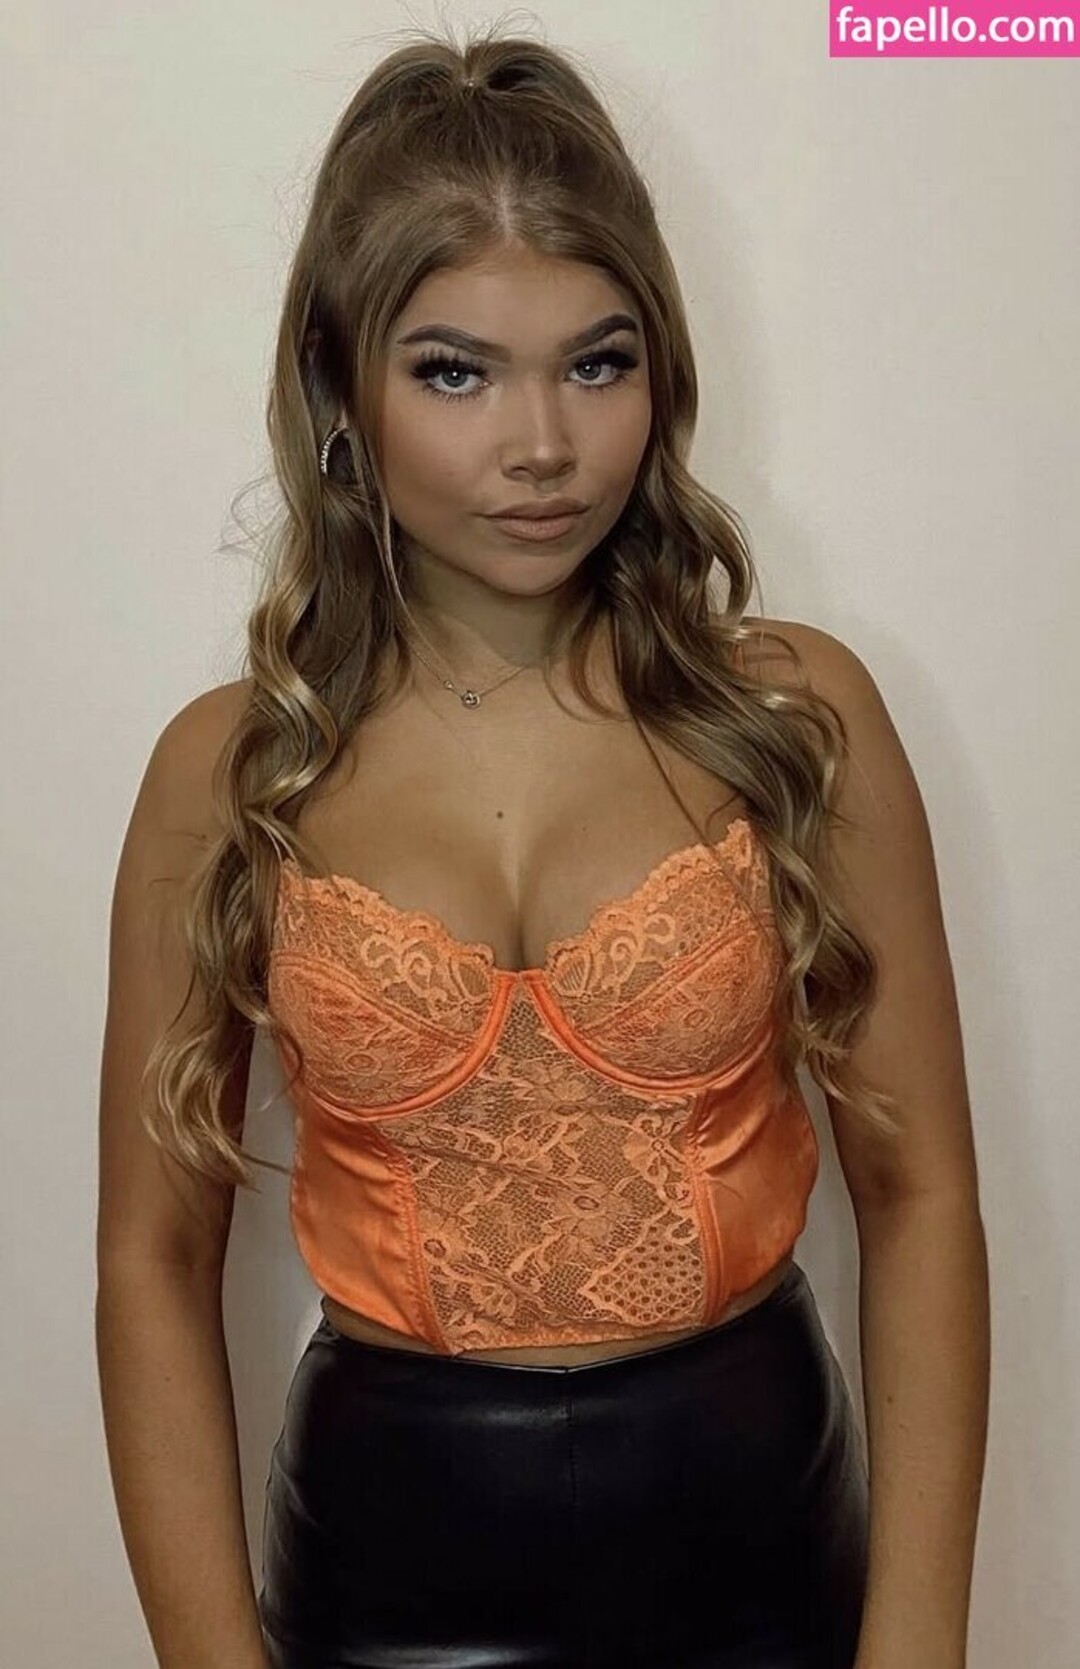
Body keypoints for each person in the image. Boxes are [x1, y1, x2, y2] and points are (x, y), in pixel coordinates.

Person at [95, 24, 989, 1669]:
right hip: (385, 1562)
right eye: (457, 371)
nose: (543, 445)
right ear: (339, 388)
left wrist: (920, 1640)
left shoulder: (794, 717)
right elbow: (153, 1259)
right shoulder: (232, 772)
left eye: (597, 362)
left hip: (761, 1542)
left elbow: (921, 1189)